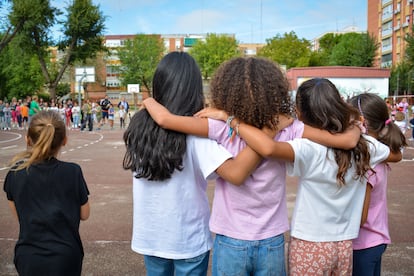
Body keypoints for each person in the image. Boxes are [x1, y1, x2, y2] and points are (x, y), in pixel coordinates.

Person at [143, 57, 361, 276]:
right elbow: (347, 142)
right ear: (274, 92)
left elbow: (164, 120)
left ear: (226, 92)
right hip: (271, 239)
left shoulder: (220, 127)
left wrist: (149, 101)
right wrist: (357, 127)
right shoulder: (286, 126)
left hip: (230, 237)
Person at [205, 78, 401, 275]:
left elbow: (268, 147)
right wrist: (356, 129)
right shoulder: (366, 145)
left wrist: (231, 120)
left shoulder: (307, 148)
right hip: (344, 244)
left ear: (299, 113)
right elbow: (395, 155)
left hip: (310, 244)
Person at [122, 52, 264, 276]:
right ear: (193, 90)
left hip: (150, 234)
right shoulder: (196, 135)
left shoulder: (139, 128)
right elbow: (237, 173)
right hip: (188, 237)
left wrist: (148, 101)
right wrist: (266, 137)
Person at [3, 110, 90, 275]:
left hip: (28, 255)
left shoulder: (15, 173)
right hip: (66, 255)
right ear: (64, 140)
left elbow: (20, 215)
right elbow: (84, 214)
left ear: (28, 139)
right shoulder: (72, 171)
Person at [349, 93, 407, 276]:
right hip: (376, 239)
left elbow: (361, 216)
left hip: (363, 244)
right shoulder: (378, 155)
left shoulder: (368, 162)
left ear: (361, 122)